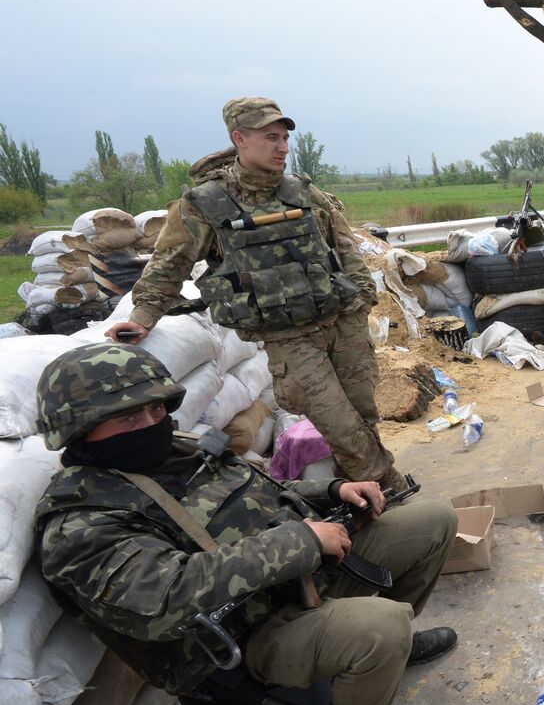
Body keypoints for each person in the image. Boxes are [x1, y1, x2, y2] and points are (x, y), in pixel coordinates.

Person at [33, 343, 459, 705]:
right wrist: (300, 541)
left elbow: (267, 491)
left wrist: (332, 491)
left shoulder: (182, 448)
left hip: (300, 577)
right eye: (127, 418)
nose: (150, 424)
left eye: (156, 409)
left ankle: (382, 657)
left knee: (433, 520)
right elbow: (165, 599)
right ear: (78, 429)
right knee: (381, 625)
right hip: (245, 635)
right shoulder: (81, 521)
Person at [105, 96, 405, 490]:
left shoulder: (302, 191)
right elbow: (169, 264)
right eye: (270, 137)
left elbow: (343, 243)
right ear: (239, 139)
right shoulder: (205, 204)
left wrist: (362, 296)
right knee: (338, 421)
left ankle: (355, 496)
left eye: (284, 138)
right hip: (289, 337)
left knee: (362, 415)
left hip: (341, 320)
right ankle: (391, 487)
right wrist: (142, 317)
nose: (282, 147)